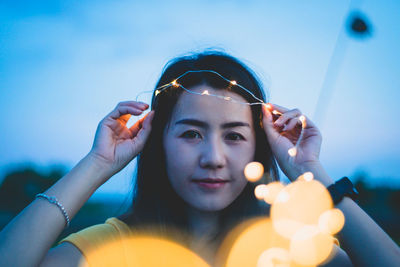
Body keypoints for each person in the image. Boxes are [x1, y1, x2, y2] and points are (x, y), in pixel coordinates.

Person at [0, 51, 399, 267]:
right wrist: (99, 163)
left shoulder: (291, 249)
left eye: (234, 136)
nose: (213, 157)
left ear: (259, 146)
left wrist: (309, 171)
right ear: (157, 143)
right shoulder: (113, 248)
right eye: (191, 133)